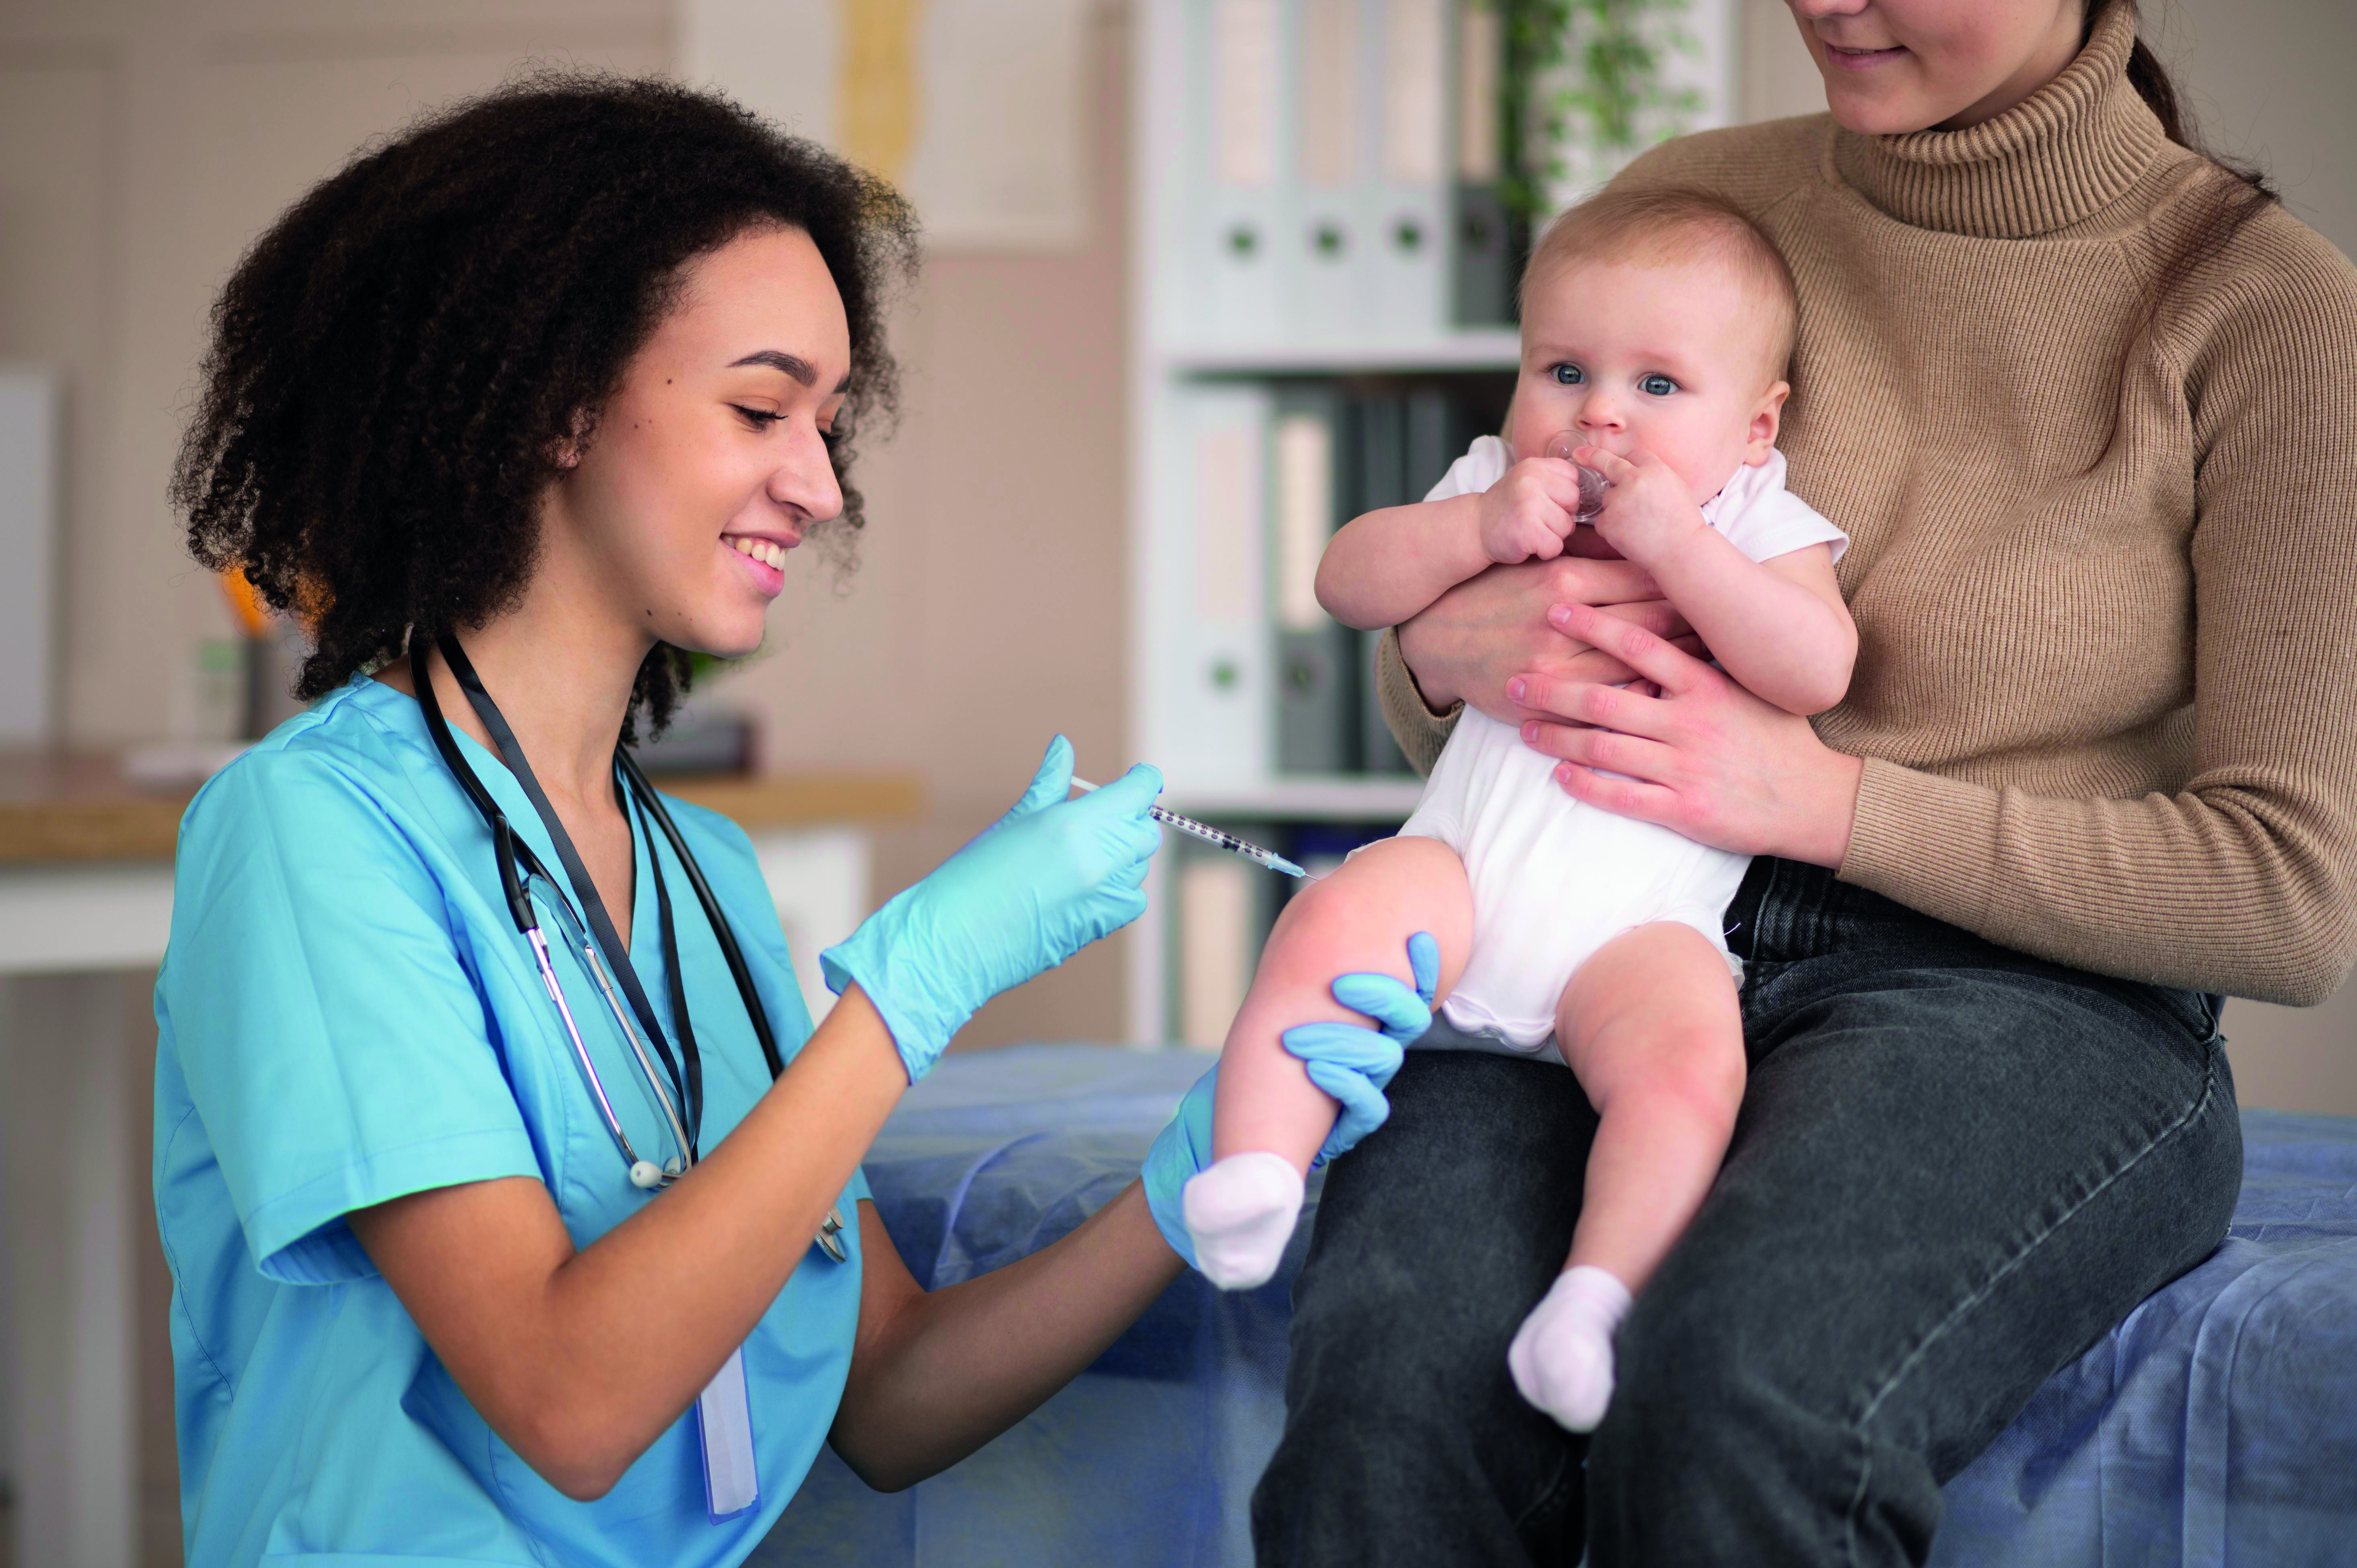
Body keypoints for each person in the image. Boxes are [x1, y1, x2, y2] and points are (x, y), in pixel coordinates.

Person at [152, 79, 1418, 1566]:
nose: (820, 486)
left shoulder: (703, 879)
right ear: (556, 397)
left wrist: (1188, 1178)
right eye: (762, 409)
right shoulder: (312, 832)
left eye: (828, 422)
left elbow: (891, 1395)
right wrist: (913, 992)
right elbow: (568, 1399)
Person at [1253, 0, 2357, 1563]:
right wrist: (1448, 654)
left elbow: (2293, 893)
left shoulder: (2271, 314)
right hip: (1603, 915)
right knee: (1390, 1390)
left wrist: (1824, 803)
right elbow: (1466, 623)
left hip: (2025, 1000)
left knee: (1735, 1391)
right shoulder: (1699, 207)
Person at [1181, 190, 1855, 1441]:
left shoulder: (1753, 519)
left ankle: (1594, 1305)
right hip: (1461, 883)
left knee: (1692, 1074)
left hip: (1636, 936)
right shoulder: (1498, 480)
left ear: (1755, 428)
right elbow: (1344, 580)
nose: (1599, 412)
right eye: (1562, 370)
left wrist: (1682, 550)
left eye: (1660, 387)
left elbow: (1817, 670)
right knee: (1339, 913)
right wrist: (1476, 528)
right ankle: (1258, 1170)